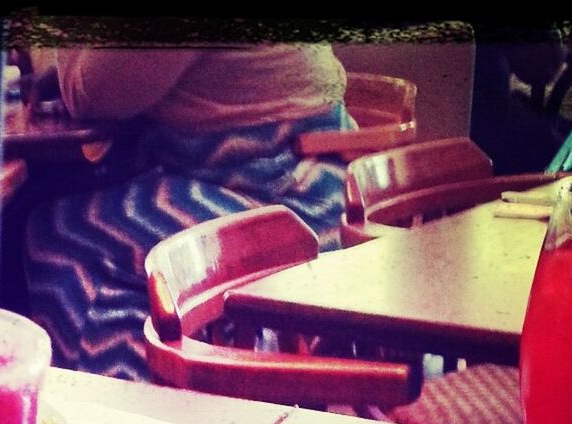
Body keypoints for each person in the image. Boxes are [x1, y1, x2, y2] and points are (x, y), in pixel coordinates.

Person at [22, 44, 354, 381]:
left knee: (61, 232)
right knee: (83, 210)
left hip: (294, 208)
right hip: (293, 179)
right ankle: (135, 384)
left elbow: (91, 94)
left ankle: (130, 408)